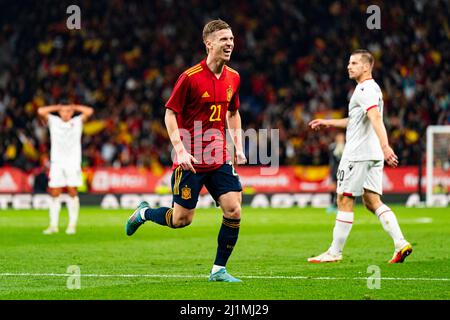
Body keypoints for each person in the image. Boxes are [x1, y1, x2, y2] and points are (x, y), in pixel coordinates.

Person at [125, 19, 247, 282]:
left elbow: (233, 112)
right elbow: (170, 114)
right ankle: (143, 213)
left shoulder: (234, 77)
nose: (230, 44)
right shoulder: (189, 78)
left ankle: (219, 270)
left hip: (218, 158)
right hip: (190, 160)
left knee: (234, 208)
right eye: (224, 39)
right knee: (181, 220)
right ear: (209, 44)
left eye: (232, 39)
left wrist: (238, 145)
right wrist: (179, 150)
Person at [307, 49, 412, 264]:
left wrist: (386, 146)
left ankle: (334, 253)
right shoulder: (372, 89)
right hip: (371, 154)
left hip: (358, 154)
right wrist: (328, 122)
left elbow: (374, 117)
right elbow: (357, 120)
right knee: (372, 201)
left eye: (354, 63)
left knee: (344, 199)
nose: (349, 66)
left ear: (366, 67)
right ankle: (401, 243)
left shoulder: (364, 89)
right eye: (349, 62)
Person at [38, 103, 94, 235]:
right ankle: (53, 225)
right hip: (57, 162)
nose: (66, 113)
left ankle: (72, 225)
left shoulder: (77, 121)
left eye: (68, 111)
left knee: (72, 191)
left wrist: (75, 106)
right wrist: (57, 107)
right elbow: (40, 111)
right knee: (55, 192)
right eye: (63, 111)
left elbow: (89, 111)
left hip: (73, 162)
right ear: (59, 112)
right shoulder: (54, 120)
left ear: (72, 112)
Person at [326, 132, 345, 214]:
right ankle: (332, 204)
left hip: (344, 170)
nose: (340, 139)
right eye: (339, 137)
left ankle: (339, 205)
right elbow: (333, 156)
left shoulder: (347, 146)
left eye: (341, 137)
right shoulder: (332, 146)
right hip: (334, 169)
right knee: (333, 187)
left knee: (342, 188)